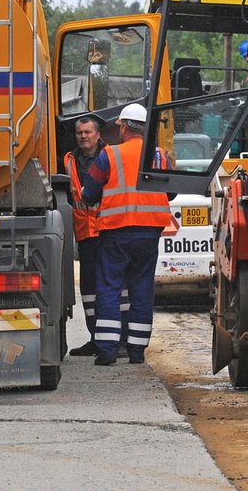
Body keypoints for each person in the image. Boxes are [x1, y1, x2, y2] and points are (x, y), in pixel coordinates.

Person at [82, 103, 173, 366]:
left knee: (110, 288)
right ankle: (136, 352)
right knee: (142, 290)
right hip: (149, 233)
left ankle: (108, 351)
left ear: (123, 127)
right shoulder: (160, 157)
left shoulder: (109, 155)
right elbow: (171, 192)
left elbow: (89, 194)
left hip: (116, 232)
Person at [62, 116, 108, 356]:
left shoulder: (109, 156)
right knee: (89, 290)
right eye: (79, 133)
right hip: (84, 234)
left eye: (88, 132)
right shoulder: (69, 160)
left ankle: (114, 340)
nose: (83, 136)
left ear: (98, 134)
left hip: (107, 231)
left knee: (112, 287)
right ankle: (96, 338)